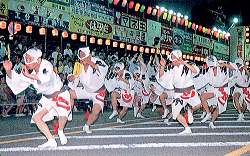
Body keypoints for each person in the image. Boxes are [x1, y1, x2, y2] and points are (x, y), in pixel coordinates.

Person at [3, 48, 71, 148]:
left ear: (38, 60)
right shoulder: (28, 72)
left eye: (29, 59)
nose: (26, 62)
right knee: (36, 118)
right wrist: (8, 71)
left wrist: (29, 76)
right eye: (26, 59)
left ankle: (60, 131)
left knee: (63, 115)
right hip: (47, 98)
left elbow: (46, 79)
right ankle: (51, 140)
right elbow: (17, 80)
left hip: (60, 94)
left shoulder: (46, 65)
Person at [159, 50, 201, 134]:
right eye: (171, 58)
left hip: (189, 91)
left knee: (198, 105)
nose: (172, 59)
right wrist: (162, 66)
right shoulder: (170, 67)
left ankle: (190, 110)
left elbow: (196, 71)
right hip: (178, 93)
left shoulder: (188, 64)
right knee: (175, 113)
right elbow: (161, 77)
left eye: (174, 57)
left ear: (179, 57)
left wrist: (184, 63)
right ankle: (187, 128)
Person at [68, 47, 108, 133]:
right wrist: (71, 78)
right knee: (69, 94)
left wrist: (90, 62)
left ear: (89, 55)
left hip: (98, 91)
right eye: (80, 55)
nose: (81, 58)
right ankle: (68, 112)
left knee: (96, 111)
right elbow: (73, 77)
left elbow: (105, 69)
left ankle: (87, 125)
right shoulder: (79, 65)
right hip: (86, 90)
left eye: (83, 55)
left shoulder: (97, 61)